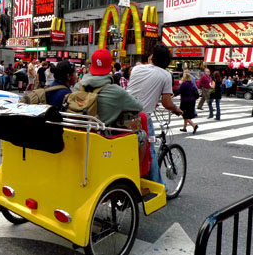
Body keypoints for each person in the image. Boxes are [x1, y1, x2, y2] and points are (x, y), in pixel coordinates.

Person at [127, 43, 183, 185]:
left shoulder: (136, 68)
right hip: (142, 118)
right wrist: (176, 109)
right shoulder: (166, 75)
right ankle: (159, 186)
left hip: (123, 114)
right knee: (150, 151)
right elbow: (167, 103)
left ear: (152, 57)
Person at [71, 49, 144, 126]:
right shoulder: (117, 92)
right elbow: (139, 106)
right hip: (102, 135)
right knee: (141, 133)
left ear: (91, 66)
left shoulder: (77, 87)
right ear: (110, 67)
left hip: (76, 133)